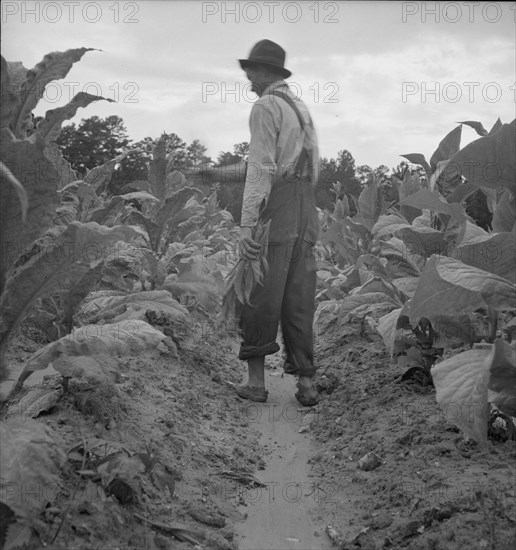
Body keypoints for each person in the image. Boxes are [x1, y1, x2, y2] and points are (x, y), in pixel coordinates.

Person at [234, 39, 320, 406]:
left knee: (257, 290)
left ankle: (256, 382)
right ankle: (307, 384)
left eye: (250, 71)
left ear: (264, 72)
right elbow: (309, 167)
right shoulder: (299, 108)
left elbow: (262, 169)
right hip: (306, 210)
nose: (248, 79)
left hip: (279, 208)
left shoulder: (265, 106)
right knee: (299, 296)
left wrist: (247, 225)